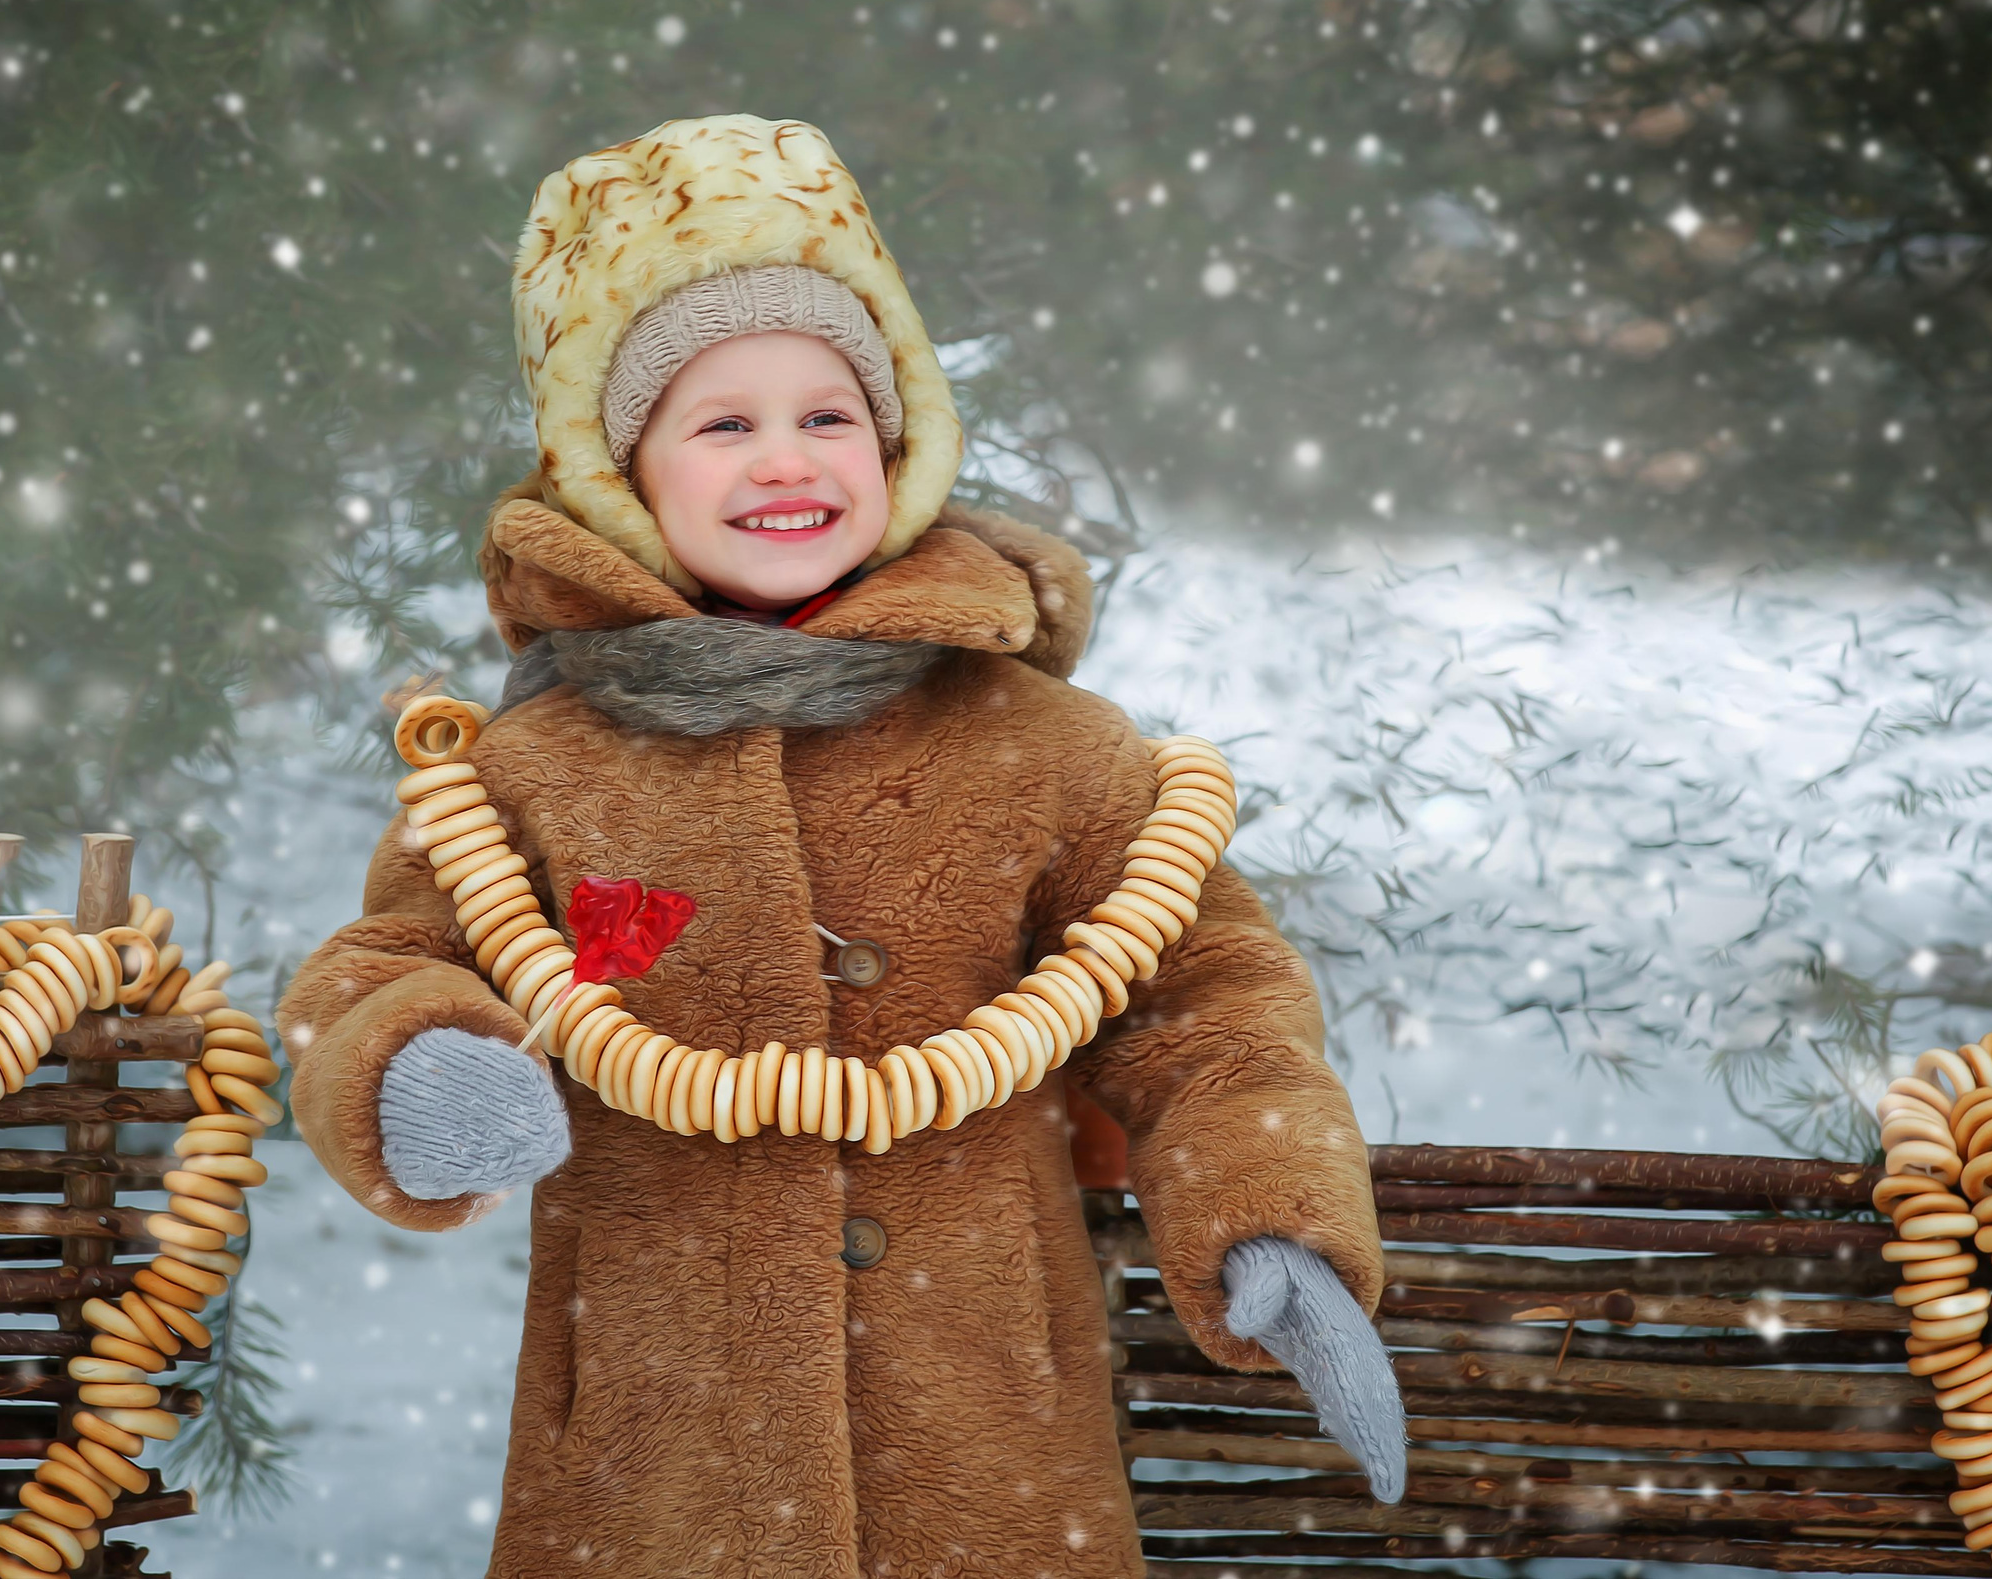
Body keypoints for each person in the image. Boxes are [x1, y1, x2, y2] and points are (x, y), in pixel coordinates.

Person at [275, 113, 1403, 1578]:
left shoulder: (1039, 746)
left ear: (898, 441)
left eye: (828, 415)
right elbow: (381, 967)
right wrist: (420, 1063)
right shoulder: (535, 774)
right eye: (722, 422)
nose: (786, 460)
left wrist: (1271, 1224)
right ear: (622, 475)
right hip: (654, 1452)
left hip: (993, 1441)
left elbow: (1210, 1002)